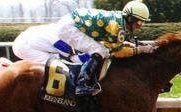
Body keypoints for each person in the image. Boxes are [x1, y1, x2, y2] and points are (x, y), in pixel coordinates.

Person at [12, 1, 153, 97]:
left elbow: (112, 46)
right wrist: (141, 50)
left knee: (99, 51)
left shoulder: (118, 21)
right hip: (27, 45)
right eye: (138, 22)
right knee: (95, 53)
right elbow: (115, 52)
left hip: (61, 28)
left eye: (142, 23)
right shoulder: (116, 25)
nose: (139, 26)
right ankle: (82, 84)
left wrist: (128, 46)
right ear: (129, 17)